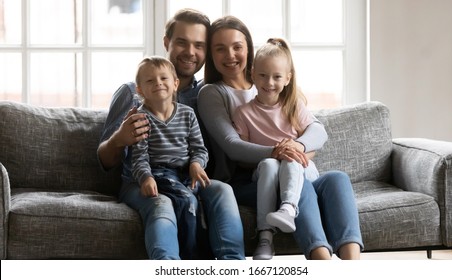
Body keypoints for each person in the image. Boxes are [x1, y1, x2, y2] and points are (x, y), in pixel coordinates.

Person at [198, 15, 363, 260]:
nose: (230, 55)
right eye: (220, 48)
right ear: (211, 54)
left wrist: (297, 147)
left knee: (337, 179)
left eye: (237, 47)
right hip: (251, 179)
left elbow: (316, 130)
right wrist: (281, 152)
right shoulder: (213, 93)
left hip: (295, 166)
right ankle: (321, 259)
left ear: (249, 51)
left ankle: (353, 263)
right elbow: (233, 146)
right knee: (301, 185)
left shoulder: (271, 81)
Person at [97, 9, 245, 260]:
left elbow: (210, 148)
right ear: (166, 42)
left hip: (187, 178)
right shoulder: (133, 93)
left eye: (199, 45)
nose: (190, 52)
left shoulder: (207, 97)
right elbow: (103, 161)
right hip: (143, 180)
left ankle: (233, 265)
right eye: (181, 42)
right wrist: (120, 138)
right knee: (161, 203)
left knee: (221, 191)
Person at [232, 38, 321, 259]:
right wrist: (273, 154)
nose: (269, 82)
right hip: (266, 172)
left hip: (302, 170)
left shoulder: (293, 106)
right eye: (262, 75)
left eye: (277, 77)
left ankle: (288, 209)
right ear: (252, 74)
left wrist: (296, 153)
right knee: (270, 163)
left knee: (289, 160)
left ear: (287, 79)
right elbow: (242, 157)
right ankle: (265, 239)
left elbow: (317, 139)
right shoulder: (243, 113)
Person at [131, 56, 210, 259]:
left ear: (175, 84)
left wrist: (196, 164)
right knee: (187, 200)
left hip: (186, 172)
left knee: (200, 203)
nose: (158, 82)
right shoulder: (141, 119)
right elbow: (139, 158)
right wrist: (145, 178)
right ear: (139, 90)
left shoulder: (188, 114)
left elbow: (200, 149)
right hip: (160, 173)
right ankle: (191, 259)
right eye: (150, 80)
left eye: (163, 78)